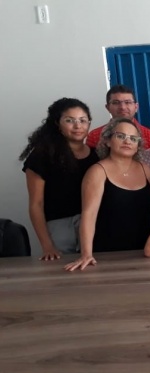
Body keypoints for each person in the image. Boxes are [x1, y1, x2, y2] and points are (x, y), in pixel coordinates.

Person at [64, 118, 150, 271]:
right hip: (108, 253)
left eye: (133, 138)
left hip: (144, 250)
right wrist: (86, 254)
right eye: (121, 136)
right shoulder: (97, 171)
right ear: (108, 141)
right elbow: (89, 215)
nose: (127, 141)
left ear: (138, 146)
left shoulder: (144, 168)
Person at [19, 97, 99, 260]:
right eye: (70, 120)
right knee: (63, 271)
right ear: (57, 123)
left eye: (83, 120)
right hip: (60, 228)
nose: (78, 126)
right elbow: (36, 204)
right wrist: (47, 246)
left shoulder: (97, 155)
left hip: (95, 224)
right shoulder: (42, 156)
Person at [86, 84, 150, 149]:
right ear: (107, 107)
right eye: (116, 103)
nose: (122, 107)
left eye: (128, 102)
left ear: (136, 107)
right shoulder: (94, 136)